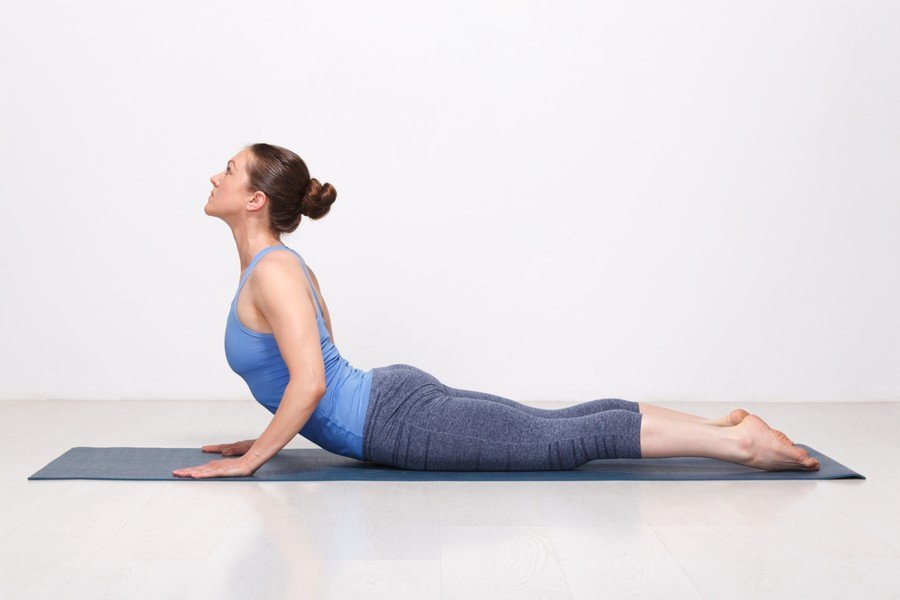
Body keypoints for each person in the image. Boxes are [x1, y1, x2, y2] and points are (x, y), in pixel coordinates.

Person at [173, 143, 820, 478]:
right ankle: (725, 429)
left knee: (559, 442)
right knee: (557, 427)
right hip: (391, 404)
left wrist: (252, 458)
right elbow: (313, 373)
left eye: (228, 170)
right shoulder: (273, 270)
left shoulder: (276, 272)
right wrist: (269, 438)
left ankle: (740, 444)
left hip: (396, 423)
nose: (215, 178)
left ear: (255, 200)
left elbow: (313, 381)